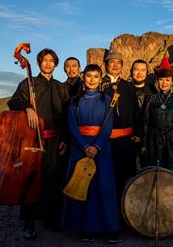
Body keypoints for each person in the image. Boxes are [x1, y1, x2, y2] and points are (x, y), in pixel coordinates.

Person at [8, 48, 69, 239]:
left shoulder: (61, 87)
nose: (48, 63)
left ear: (56, 64)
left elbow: (68, 115)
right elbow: (13, 101)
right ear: (39, 63)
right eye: (45, 60)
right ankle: (28, 222)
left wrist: (65, 139)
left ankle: (49, 218)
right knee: (32, 180)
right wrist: (27, 107)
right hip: (34, 140)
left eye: (51, 60)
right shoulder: (28, 83)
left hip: (55, 140)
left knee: (53, 180)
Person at [59, 64, 120, 243]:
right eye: (88, 76)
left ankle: (110, 228)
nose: (92, 79)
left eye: (96, 76)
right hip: (80, 148)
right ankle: (86, 228)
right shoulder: (74, 102)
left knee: (103, 187)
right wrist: (85, 146)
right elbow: (72, 126)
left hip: (101, 150)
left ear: (101, 79)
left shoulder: (108, 100)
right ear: (83, 78)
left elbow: (108, 127)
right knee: (83, 187)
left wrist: (96, 146)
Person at [143, 54, 173, 188]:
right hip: (154, 141)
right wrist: (144, 144)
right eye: (161, 79)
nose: (164, 83)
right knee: (156, 172)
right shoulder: (151, 99)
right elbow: (146, 122)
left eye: (167, 80)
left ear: (172, 81)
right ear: (157, 81)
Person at [100, 51, 141, 207]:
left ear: (122, 66)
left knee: (126, 176)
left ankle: (126, 211)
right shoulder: (99, 85)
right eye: (112, 62)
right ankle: (108, 214)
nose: (115, 65)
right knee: (107, 177)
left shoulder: (129, 87)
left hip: (126, 141)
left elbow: (136, 112)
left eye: (119, 62)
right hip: (106, 141)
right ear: (106, 65)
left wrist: (137, 133)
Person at [130, 59, 157, 168]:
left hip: (148, 137)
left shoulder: (152, 90)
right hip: (129, 136)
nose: (139, 73)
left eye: (143, 70)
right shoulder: (125, 89)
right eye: (136, 70)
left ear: (146, 73)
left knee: (147, 168)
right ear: (131, 71)